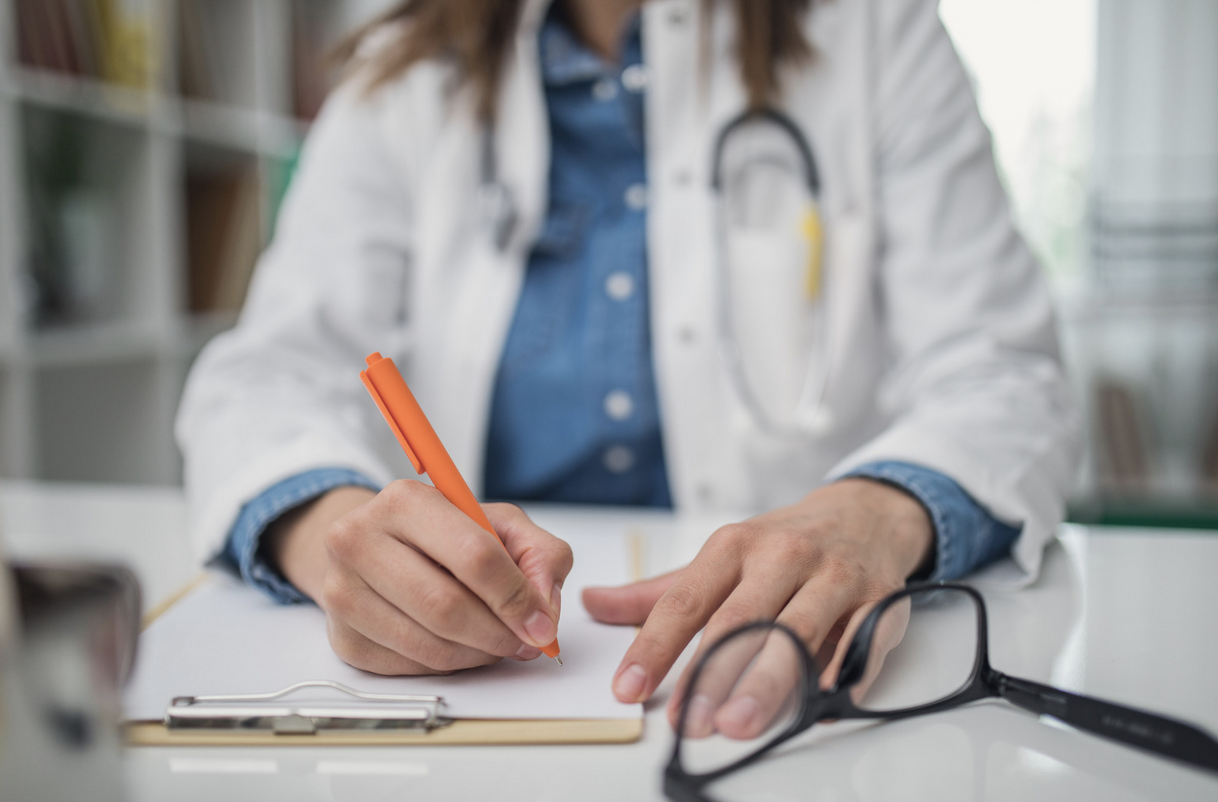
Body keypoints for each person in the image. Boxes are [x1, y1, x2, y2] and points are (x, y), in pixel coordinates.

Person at [175, 0, 1078, 730]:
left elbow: (1005, 376)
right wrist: (331, 533)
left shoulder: (877, 34)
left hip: (790, 686)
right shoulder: (407, 74)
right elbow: (263, 380)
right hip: (486, 699)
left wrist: (878, 513)